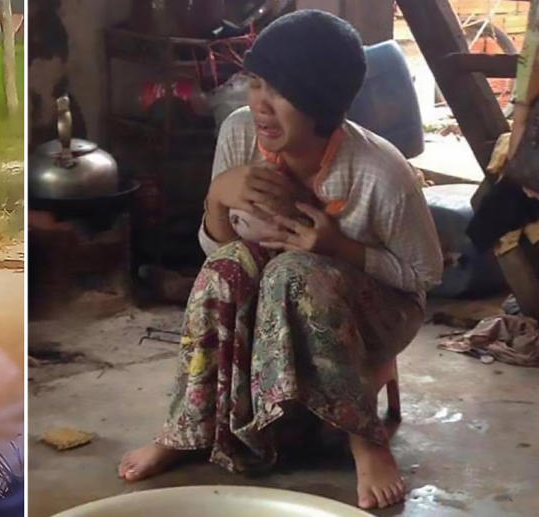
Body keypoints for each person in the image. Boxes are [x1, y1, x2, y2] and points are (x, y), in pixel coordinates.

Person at [118, 10, 443, 510]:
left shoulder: (380, 171)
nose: (261, 106)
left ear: (320, 103)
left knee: (297, 273)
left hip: (378, 307)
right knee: (227, 269)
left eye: (282, 92)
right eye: (256, 83)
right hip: (273, 291)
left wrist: (340, 248)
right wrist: (217, 199)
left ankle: (366, 441)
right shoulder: (240, 134)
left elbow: (425, 275)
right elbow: (219, 249)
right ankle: (186, 428)